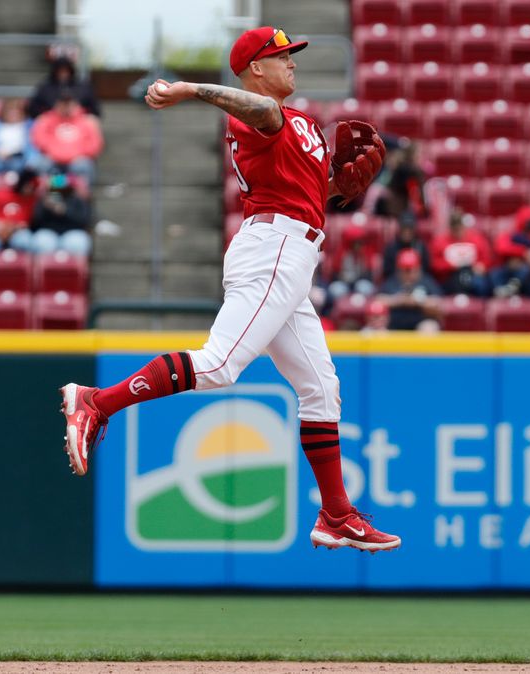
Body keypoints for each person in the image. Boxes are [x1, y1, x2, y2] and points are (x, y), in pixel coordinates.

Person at [59, 26, 400, 553]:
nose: (292, 62)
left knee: (321, 388)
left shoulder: (301, 121)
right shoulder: (261, 114)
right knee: (219, 367)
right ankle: (96, 402)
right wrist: (193, 89)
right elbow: (260, 114)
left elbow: (305, 187)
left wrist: (340, 189)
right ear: (254, 68)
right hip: (274, 250)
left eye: (291, 55)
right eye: (281, 55)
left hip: (291, 252)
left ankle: (336, 514)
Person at [31, 90, 103, 185]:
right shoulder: (46, 119)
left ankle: (81, 197)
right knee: (39, 164)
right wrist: (52, 152)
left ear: (75, 104)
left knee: (83, 166)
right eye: (62, 103)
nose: (65, 106)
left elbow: (95, 144)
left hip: (78, 160)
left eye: (68, 103)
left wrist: (80, 154)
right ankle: (45, 195)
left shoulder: (87, 121)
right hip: (52, 159)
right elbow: (38, 138)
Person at [491, 205, 530, 297]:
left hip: (529, 276)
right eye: (529, 220)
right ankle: (504, 291)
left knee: (528, 275)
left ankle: (512, 288)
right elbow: (501, 247)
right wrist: (524, 253)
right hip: (508, 270)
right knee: (495, 273)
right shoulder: (513, 235)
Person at [429, 209, 492, 297]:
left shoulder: (477, 239)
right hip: (450, 277)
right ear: (450, 228)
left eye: (459, 228)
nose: (458, 232)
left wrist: (482, 266)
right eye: (455, 229)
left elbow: (487, 259)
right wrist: (452, 265)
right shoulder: (440, 242)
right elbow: (434, 264)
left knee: (481, 285)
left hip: (473, 274)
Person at [379, 248, 441, 332]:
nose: (409, 273)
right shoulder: (392, 282)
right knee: (379, 330)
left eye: (411, 269)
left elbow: (438, 303)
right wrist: (400, 300)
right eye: (405, 270)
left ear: (418, 268)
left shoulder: (426, 282)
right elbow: (378, 300)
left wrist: (418, 301)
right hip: (394, 324)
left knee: (429, 327)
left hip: (420, 322)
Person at [29, 174, 92, 255]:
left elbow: (84, 221)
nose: (58, 191)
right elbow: (35, 222)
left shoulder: (77, 201)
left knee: (78, 243)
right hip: (48, 233)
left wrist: (64, 211)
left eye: (62, 188)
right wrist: (46, 209)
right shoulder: (44, 201)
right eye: (54, 188)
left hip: (72, 233)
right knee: (41, 242)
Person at [27, 56, 101, 119]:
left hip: (78, 123)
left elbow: (95, 110)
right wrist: (49, 112)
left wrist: (80, 111)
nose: (63, 74)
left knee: (92, 120)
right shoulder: (45, 87)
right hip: (52, 122)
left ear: (71, 71)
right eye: (60, 71)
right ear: (55, 72)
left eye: (66, 71)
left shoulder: (83, 87)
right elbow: (33, 109)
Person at [0, 98, 40, 175]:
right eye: (10, 111)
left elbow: (32, 147)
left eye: (16, 111)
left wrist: (30, 161)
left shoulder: (29, 125)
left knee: (16, 166)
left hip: (19, 157)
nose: (13, 114)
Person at [382, 211, 430, 279]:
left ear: (414, 229)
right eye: (404, 228)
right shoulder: (391, 248)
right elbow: (387, 272)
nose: (407, 232)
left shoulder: (421, 247)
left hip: (418, 281)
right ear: (400, 229)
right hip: (396, 282)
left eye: (410, 228)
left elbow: (425, 270)